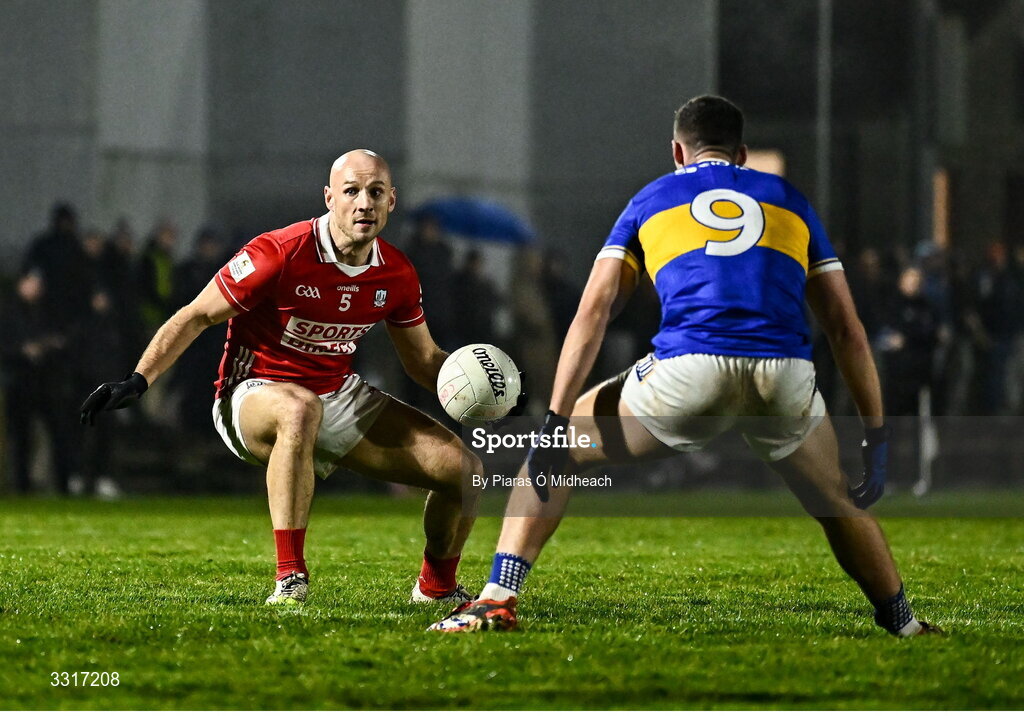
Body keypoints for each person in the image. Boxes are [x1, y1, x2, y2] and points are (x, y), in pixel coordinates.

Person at [429, 96, 941, 637]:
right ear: (741, 154)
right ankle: (904, 624)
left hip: (691, 368)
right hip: (783, 372)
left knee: (559, 450)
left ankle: (496, 600)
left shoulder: (652, 198)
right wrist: (877, 434)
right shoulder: (789, 199)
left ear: (678, 150)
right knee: (834, 500)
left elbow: (595, 310)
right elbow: (846, 330)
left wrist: (556, 418)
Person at [81, 150, 483, 606]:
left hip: (336, 394)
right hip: (252, 394)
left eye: (375, 192)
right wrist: (139, 380)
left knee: (465, 471)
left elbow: (424, 361)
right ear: (330, 198)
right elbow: (195, 316)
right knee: (298, 408)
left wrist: (488, 392)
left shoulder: (397, 273)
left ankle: (436, 588)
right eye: (351, 191)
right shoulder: (279, 252)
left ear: (392, 201)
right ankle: (290, 577)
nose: (363, 203)